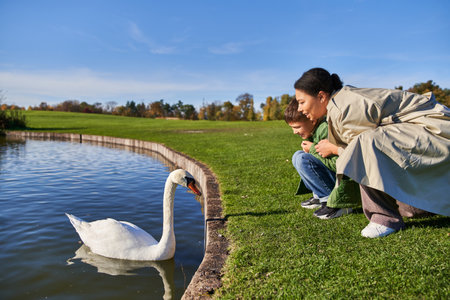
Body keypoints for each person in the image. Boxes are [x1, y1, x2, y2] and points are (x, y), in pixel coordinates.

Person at [294, 67, 450, 238]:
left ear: (321, 96)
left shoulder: (344, 107)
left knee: (366, 142)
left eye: (302, 102)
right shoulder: (340, 102)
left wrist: (334, 149)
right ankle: (418, 206)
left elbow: (359, 152)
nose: (300, 108)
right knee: (369, 144)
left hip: (434, 132)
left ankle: (384, 218)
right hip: (423, 132)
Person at [285, 99, 360, 219]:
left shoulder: (325, 130)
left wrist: (313, 149)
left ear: (312, 120)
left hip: (344, 183)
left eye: (297, 127)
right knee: (297, 156)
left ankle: (335, 203)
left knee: (303, 159)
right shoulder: (314, 131)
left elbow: (339, 165)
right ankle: (320, 196)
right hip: (334, 178)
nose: (294, 132)